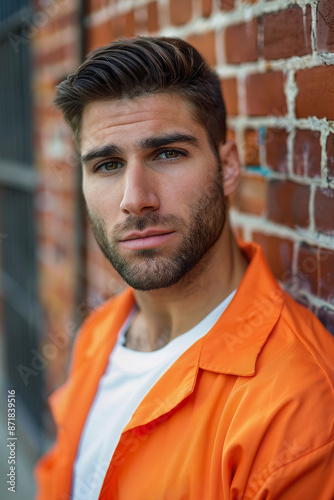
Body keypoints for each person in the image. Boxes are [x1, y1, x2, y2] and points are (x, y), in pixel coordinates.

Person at [35, 37, 334, 500]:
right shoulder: (99, 334)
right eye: (107, 164)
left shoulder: (297, 408)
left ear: (228, 166)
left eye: (167, 153)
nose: (135, 199)